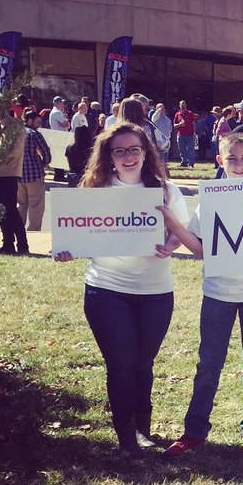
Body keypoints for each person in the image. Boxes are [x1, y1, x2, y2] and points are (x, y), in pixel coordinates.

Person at [53, 124, 190, 457]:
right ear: (109, 157)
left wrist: (171, 244)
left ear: (145, 152)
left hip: (156, 292)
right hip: (107, 290)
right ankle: (126, 438)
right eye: (120, 151)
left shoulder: (166, 191)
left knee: (143, 363)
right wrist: (66, 249)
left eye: (134, 149)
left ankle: (143, 430)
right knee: (121, 364)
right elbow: (75, 232)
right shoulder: (95, 191)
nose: (128, 157)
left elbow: (181, 231)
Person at [163, 132, 243, 457]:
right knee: (208, 364)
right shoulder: (211, 198)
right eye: (231, 158)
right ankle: (194, 432)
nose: (239, 164)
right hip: (218, 292)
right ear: (220, 161)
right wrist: (174, 228)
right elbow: (200, 250)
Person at [0, 111, 28, 255]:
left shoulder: (17, 127)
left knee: (11, 210)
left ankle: (23, 245)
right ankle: (8, 244)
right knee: (0, 211)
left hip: (9, 174)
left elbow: (12, 152)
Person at [17, 109, 52, 231]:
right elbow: (46, 153)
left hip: (18, 175)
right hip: (34, 175)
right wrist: (42, 164)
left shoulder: (15, 133)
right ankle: (33, 231)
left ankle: (19, 230)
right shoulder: (34, 134)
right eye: (37, 122)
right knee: (36, 205)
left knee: (21, 204)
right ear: (30, 121)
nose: (39, 125)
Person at [173, 100, 197, 168]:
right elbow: (174, 125)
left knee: (190, 149)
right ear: (179, 106)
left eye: (184, 104)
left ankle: (191, 163)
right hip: (180, 135)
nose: (183, 106)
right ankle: (184, 162)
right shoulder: (177, 114)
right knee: (182, 150)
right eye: (181, 105)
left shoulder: (190, 113)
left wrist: (194, 133)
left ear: (186, 105)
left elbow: (193, 124)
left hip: (189, 135)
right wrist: (180, 124)